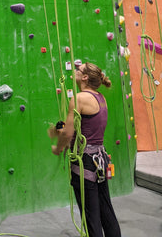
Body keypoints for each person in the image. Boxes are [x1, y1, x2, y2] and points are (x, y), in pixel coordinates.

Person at [50, 62, 121, 237]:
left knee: (91, 216)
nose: (75, 71)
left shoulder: (79, 98)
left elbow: (68, 134)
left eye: (78, 70)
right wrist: (62, 132)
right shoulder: (100, 98)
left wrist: (58, 148)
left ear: (85, 77)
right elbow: (85, 128)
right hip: (100, 160)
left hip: (85, 163)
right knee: (106, 210)